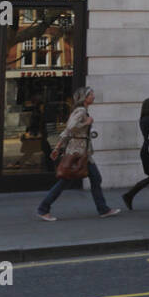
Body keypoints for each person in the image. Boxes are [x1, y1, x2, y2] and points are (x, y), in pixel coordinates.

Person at [36, 87, 120, 221]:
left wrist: (57, 148)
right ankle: (43, 208)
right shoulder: (81, 111)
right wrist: (87, 122)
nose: (93, 96)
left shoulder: (83, 111)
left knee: (95, 178)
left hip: (83, 152)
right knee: (66, 180)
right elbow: (70, 127)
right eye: (91, 94)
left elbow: (67, 131)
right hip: (78, 152)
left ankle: (103, 209)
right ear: (84, 97)